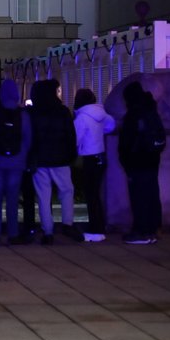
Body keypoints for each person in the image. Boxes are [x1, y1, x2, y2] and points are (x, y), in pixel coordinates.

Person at [28, 79, 79, 245]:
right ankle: (67, 223)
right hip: (60, 159)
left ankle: (47, 231)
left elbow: (30, 137)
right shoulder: (63, 111)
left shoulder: (33, 112)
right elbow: (71, 136)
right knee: (66, 191)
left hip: (40, 159)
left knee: (43, 196)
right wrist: (71, 155)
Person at [0, 79, 32, 245]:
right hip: (17, 162)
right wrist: (22, 155)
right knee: (12, 199)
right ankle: (13, 233)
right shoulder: (23, 114)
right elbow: (27, 138)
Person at [118, 81, 165, 245]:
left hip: (137, 161)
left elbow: (126, 141)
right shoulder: (151, 110)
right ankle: (153, 229)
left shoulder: (134, 114)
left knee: (139, 198)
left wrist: (126, 161)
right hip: (152, 160)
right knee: (152, 195)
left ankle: (141, 232)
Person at [73, 88, 116, 242]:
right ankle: (99, 226)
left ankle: (95, 229)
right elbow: (111, 126)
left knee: (90, 195)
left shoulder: (81, 118)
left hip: (88, 159)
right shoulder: (102, 113)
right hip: (101, 156)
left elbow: (75, 140)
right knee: (96, 194)